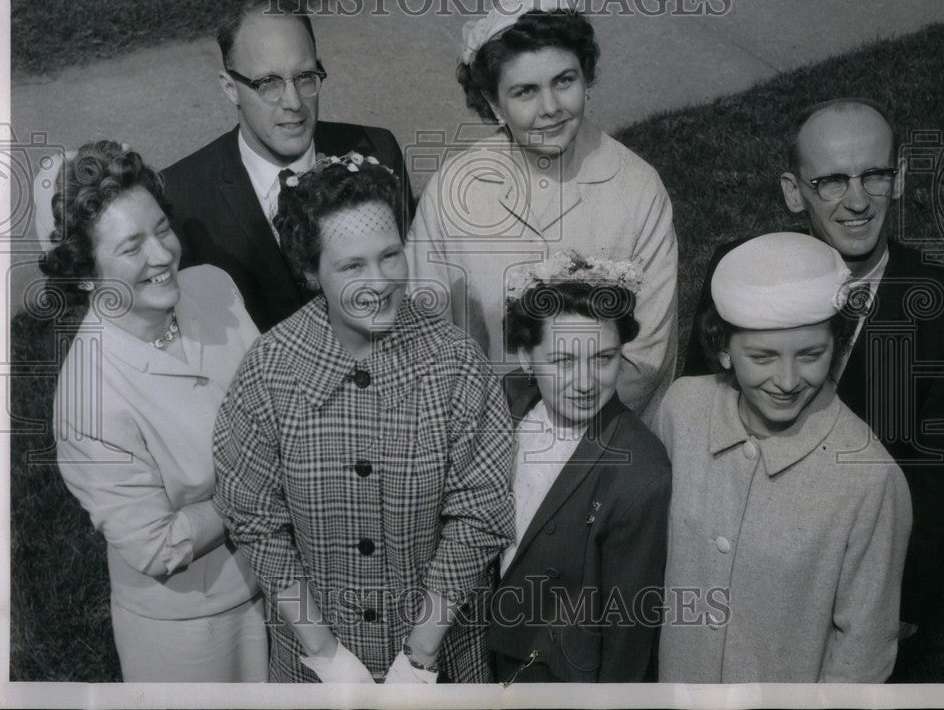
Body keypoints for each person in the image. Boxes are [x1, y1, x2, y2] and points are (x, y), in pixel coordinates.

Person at [682, 100, 944, 669]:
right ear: (794, 192)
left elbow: (943, 478)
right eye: (831, 181)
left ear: (901, 176)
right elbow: (699, 429)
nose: (857, 201)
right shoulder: (740, 273)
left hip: (864, 585)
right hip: (740, 572)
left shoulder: (943, 303)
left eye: (875, 176)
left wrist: (899, 610)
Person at [212, 153, 515, 683]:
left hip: (441, 659)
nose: (380, 282)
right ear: (310, 272)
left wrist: (419, 657)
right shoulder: (268, 372)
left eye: (390, 256)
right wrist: (326, 654)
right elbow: (256, 523)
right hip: (315, 665)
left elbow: (480, 517)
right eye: (352, 266)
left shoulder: (458, 363)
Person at [41, 141, 267, 682]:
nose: (163, 256)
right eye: (132, 246)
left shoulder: (214, 286)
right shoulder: (87, 398)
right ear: (87, 273)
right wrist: (261, 484)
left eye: (163, 229)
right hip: (189, 631)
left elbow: (275, 400)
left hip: (282, 584)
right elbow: (158, 545)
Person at [407, 0, 678, 426]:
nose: (550, 107)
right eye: (525, 91)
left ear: (586, 78)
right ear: (495, 104)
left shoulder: (638, 188)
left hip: (599, 447)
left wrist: (560, 446)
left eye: (563, 81)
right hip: (481, 437)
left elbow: (645, 356)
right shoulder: (453, 190)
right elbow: (423, 331)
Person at [657, 232, 911, 682]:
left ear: (838, 344)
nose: (789, 380)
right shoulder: (683, 411)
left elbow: (864, 653)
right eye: (763, 356)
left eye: (812, 354)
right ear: (722, 348)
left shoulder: (869, 479)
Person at [162, 2, 415, 333]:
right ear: (229, 88)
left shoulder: (377, 149)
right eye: (269, 83)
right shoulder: (182, 197)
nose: (294, 102)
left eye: (305, 77)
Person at [490, 252, 671, 683]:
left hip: (559, 674)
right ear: (526, 358)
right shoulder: (505, 401)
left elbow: (629, 626)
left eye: (603, 358)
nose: (586, 382)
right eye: (564, 361)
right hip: (483, 646)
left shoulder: (639, 471)